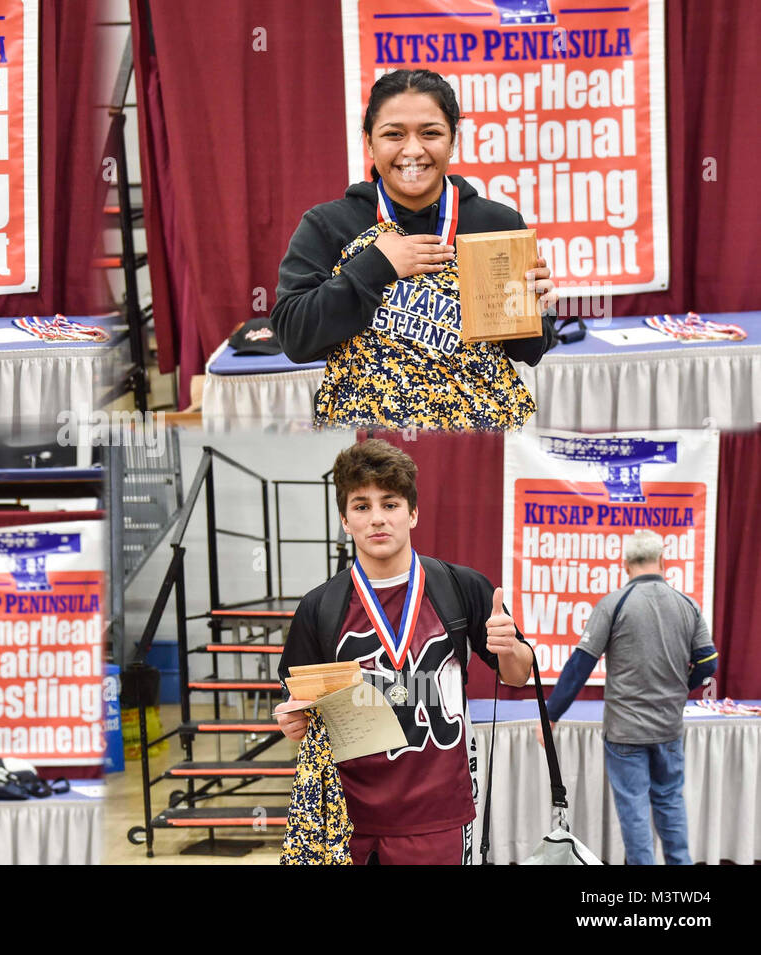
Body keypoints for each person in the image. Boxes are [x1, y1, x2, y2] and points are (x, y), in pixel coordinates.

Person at [274, 439, 535, 864]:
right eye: (361, 506)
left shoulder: (460, 587)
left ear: (412, 512)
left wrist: (509, 648)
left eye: (390, 504)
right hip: (345, 818)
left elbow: (519, 675)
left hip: (439, 814)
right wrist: (293, 719)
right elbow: (295, 701)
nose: (377, 518)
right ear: (344, 520)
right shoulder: (320, 606)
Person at [270, 69, 560, 431]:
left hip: (476, 437)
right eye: (393, 134)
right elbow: (295, 338)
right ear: (369, 142)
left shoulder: (496, 222)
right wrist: (376, 266)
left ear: (453, 139)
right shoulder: (327, 225)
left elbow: (530, 351)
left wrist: (532, 310)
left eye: (431, 133)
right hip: (368, 438)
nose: (412, 150)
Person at [540, 530, 718, 865]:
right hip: (668, 728)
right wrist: (682, 686)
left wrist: (551, 715)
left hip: (625, 733)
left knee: (635, 812)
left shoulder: (614, 603)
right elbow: (709, 662)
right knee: (670, 802)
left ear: (625, 566)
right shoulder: (687, 605)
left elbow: (580, 664)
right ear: (663, 562)